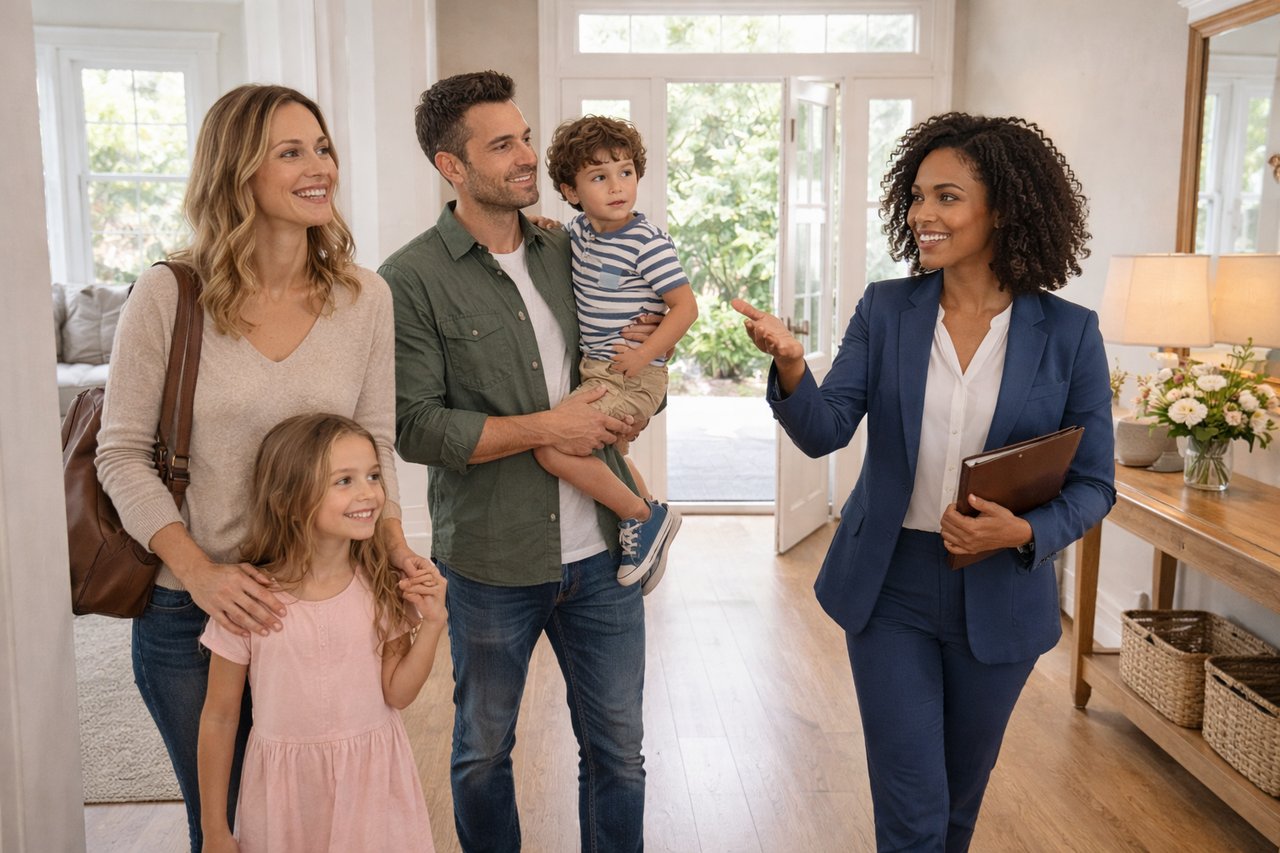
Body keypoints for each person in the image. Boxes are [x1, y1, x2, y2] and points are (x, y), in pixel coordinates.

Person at [733, 112, 1116, 852]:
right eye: (916, 197)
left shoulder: (1069, 332)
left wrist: (1026, 532)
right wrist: (789, 364)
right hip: (890, 587)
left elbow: (1095, 482)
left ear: (1001, 207)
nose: (922, 215)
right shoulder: (888, 309)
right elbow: (825, 428)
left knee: (955, 810)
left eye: (946, 197)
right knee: (911, 812)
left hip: (1001, 589)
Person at [96, 84, 428, 852]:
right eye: (290, 152)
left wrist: (395, 553)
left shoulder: (365, 298)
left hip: (325, 596)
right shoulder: (170, 295)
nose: (319, 167)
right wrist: (201, 573)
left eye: (321, 147)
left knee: (329, 812)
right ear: (237, 172)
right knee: (227, 830)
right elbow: (120, 453)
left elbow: (376, 443)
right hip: (192, 610)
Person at [379, 70, 649, 852]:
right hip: (491, 561)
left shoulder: (572, 250)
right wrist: (547, 427)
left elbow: (626, 349)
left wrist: (625, 410)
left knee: (619, 758)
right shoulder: (412, 278)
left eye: (526, 135)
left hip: (601, 556)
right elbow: (416, 427)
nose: (528, 155)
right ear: (452, 166)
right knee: (480, 755)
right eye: (504, 145)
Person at [197, 413, 445, 852]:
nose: (369, 492)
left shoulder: (381, 587)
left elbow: (398, 694)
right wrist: (215, 829)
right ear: (290, 500)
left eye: (372, 475)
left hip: (372, 792)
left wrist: (433, 625)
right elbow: (219, 716)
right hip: (286, 802)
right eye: (344, 481)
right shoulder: (248, 601)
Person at [540, 114, 697, 591]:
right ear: (571, 191)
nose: (616, 186)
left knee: (552, 447)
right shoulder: (581, 233)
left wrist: (642, 354)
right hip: (599, 370)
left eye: (625, 172)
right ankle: (653, 519)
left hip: (632, 373)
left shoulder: (645, 242)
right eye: (599, 176)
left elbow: (686, 308)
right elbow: (558, 240)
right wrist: (536, 223)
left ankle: (641, 515)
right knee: (608, 453)